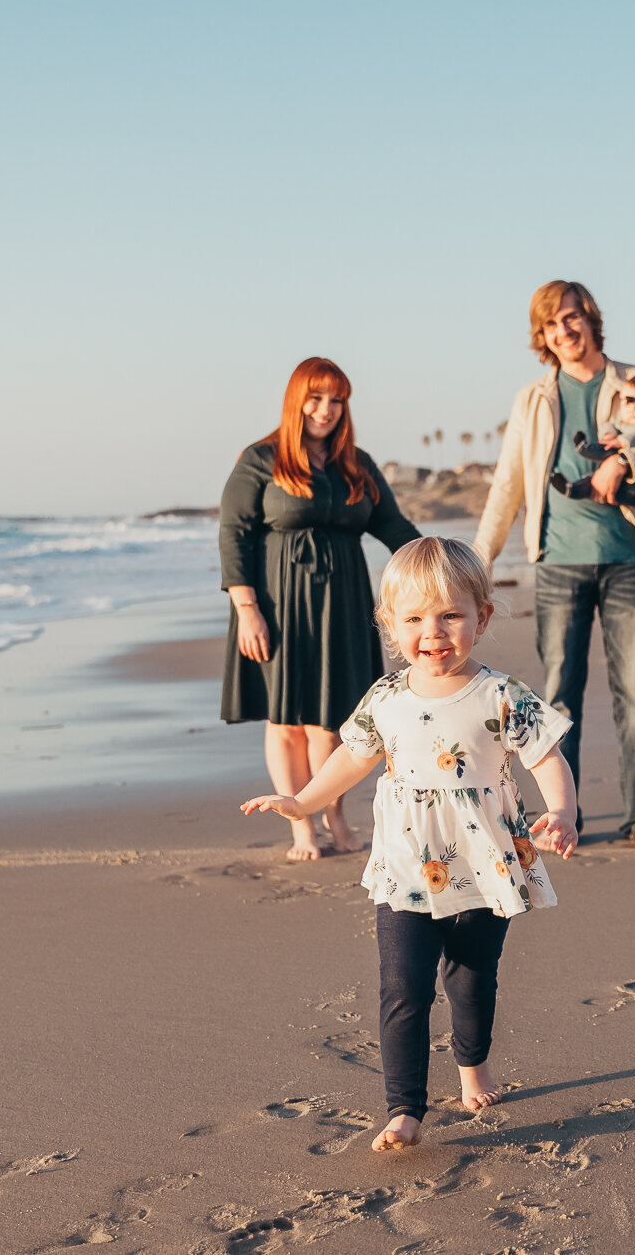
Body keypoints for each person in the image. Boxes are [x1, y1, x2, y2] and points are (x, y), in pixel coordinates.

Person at [242, 537, 578, 1151]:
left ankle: (472, 1065)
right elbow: (351, 758)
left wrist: (562, 809)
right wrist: (303, 803)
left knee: (472, 978)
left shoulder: (503, 694)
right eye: (415, 619)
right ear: (390, 624)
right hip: (406, 866)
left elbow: (548, 758)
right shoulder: (388, 697)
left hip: (484, 864)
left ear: (482, 616)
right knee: (403, 984)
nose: (434, 632)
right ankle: (405, 1107)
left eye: (451, 615)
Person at [474, 280, 635, 848]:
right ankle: (560, 820)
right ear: (543, 336)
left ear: (590, 319)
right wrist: (479, 561)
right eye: (552, 325)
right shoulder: (532, 399)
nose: (564, 331)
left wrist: (626, 459)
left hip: (629, 557)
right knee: (558, 699)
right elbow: (508, 484)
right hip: (557, 563)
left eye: (571, 318)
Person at [220, 357, 422, 860]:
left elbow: (393, 527)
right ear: (296, 400)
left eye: (336, 400)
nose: (326, 410)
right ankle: (301, 828)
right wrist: (246, 607)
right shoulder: (261, 458)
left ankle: (336, 816)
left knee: (332, 719)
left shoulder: (357, 463)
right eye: (316, 398)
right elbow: (234, 532)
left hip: (343, 601)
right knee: (287, 720)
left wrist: (438, 563)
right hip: (277, 602)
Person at [548, 373, 635, 505]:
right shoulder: (622, 423)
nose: (633, 407)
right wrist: (608, 435)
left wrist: (623, 442)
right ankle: (572, 487)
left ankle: (585, 449)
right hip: (614, 465)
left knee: (612, 450)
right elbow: (610, 425)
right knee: (595, 471)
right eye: (628, 401)